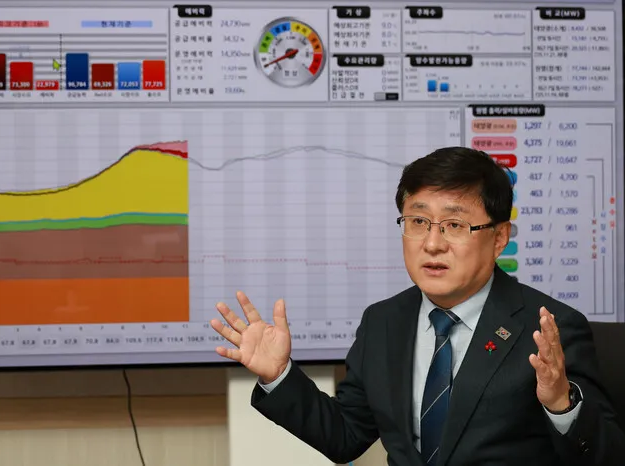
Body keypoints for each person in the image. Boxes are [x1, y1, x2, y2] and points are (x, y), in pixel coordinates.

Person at [210, 147, 625, 466]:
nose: (432, 243)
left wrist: (561, 403)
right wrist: (280, 376)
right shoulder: (383, 322)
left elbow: (608, 455)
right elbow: (345, 436)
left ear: (499, 238)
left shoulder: (549, 327)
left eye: (454, 225)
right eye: (418, 222)